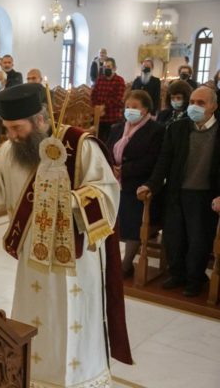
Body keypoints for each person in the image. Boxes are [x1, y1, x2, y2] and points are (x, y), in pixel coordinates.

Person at [0, 83, 132, 387]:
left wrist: (69, 201)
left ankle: (79, 379)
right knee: (35, 314)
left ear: (39, 120)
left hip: (75, 259)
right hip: (33, 256)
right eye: (7, 128)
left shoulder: (80, 145)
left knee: (73, 318)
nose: (11, 136)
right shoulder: (9, 152)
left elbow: (107, 192)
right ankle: (33, 375)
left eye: (17, 128)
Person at [138, 86, 220, 297]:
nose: (194, 106)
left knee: (198, 240)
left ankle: (195, 279)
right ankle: (177, 274)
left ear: (213, 106)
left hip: (205, 196)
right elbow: (163, 162)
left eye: (201, 103)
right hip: (176, 192)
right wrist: (151, 185)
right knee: (174, 237)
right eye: (192, 102)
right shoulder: (177, 128)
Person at [107, 90, 164, 277]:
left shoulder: (156, 130)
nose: (129, 110)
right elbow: (107, 150)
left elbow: (152, 160)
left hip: (138, 185)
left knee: (133, 223)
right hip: (115, 183)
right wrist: (111, 166)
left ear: (145, 109)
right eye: (127, 106)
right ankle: (111, 261)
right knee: (110, 222)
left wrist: (124, 170)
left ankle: (125, 265)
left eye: (134, 107)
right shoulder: (117, 128)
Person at [92, 57, 126, 143]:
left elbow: (118, 99)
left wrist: (104, 107)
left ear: (114, 68)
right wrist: (97, 106)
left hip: (112, 117)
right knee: (97, 141)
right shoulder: (100, 79)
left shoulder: (119, 80)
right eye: (104, 67)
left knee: (109, 142)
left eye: (108, 67)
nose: (106, 69)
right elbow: (94, 94)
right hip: (99, 117)